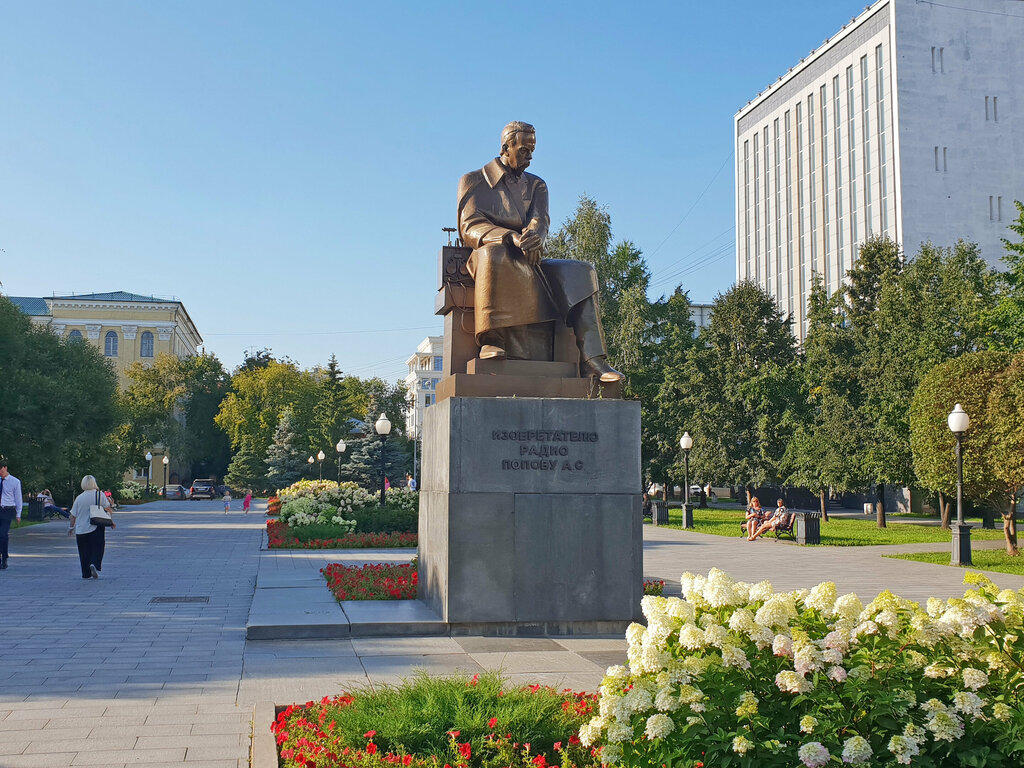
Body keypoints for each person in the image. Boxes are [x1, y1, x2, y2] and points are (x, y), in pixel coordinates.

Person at [457, 121, 624, 381]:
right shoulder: (474, 180)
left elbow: (540, 219)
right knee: (494, 254)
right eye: (524, 150)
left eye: (532, 150)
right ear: (506, 147)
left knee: (582, 272)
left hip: (529, 256)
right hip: (489, 254)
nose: (530, 157)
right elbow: (470, 226)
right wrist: (510, 237)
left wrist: (534, 237)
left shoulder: (537, 185)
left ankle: (593, 360)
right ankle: (492, 339)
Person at [68, 474, 114, 579]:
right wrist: (110, 521)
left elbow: (73, 515)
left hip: (81, 529)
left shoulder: (79, 498)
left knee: (83, 552)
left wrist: (71, 528)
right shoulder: (100, 495)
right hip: (96, 526)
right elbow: (108, 508)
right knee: (98, 547)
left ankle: (86, 573)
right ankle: (94, 563)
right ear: (94, 483)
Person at [0, 461, 24, 570]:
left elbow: (18, 498)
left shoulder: (15, 482)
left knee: (3, 534)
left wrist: (18, 513)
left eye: (1, 470)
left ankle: (4, 557)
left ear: (5, 468)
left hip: (7, 510)